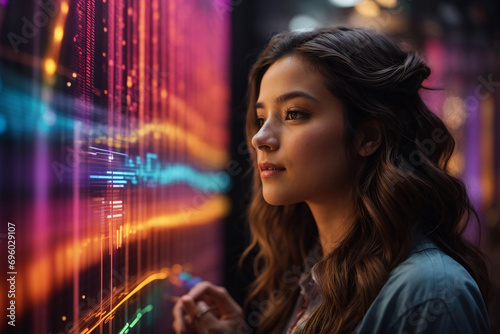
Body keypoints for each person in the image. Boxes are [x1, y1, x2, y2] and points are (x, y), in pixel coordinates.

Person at [172, 26, 492, 334]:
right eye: (260, 118)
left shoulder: (428, 293)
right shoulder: (316, 271)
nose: (260, 138)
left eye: (294, 114)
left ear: (368, 136)